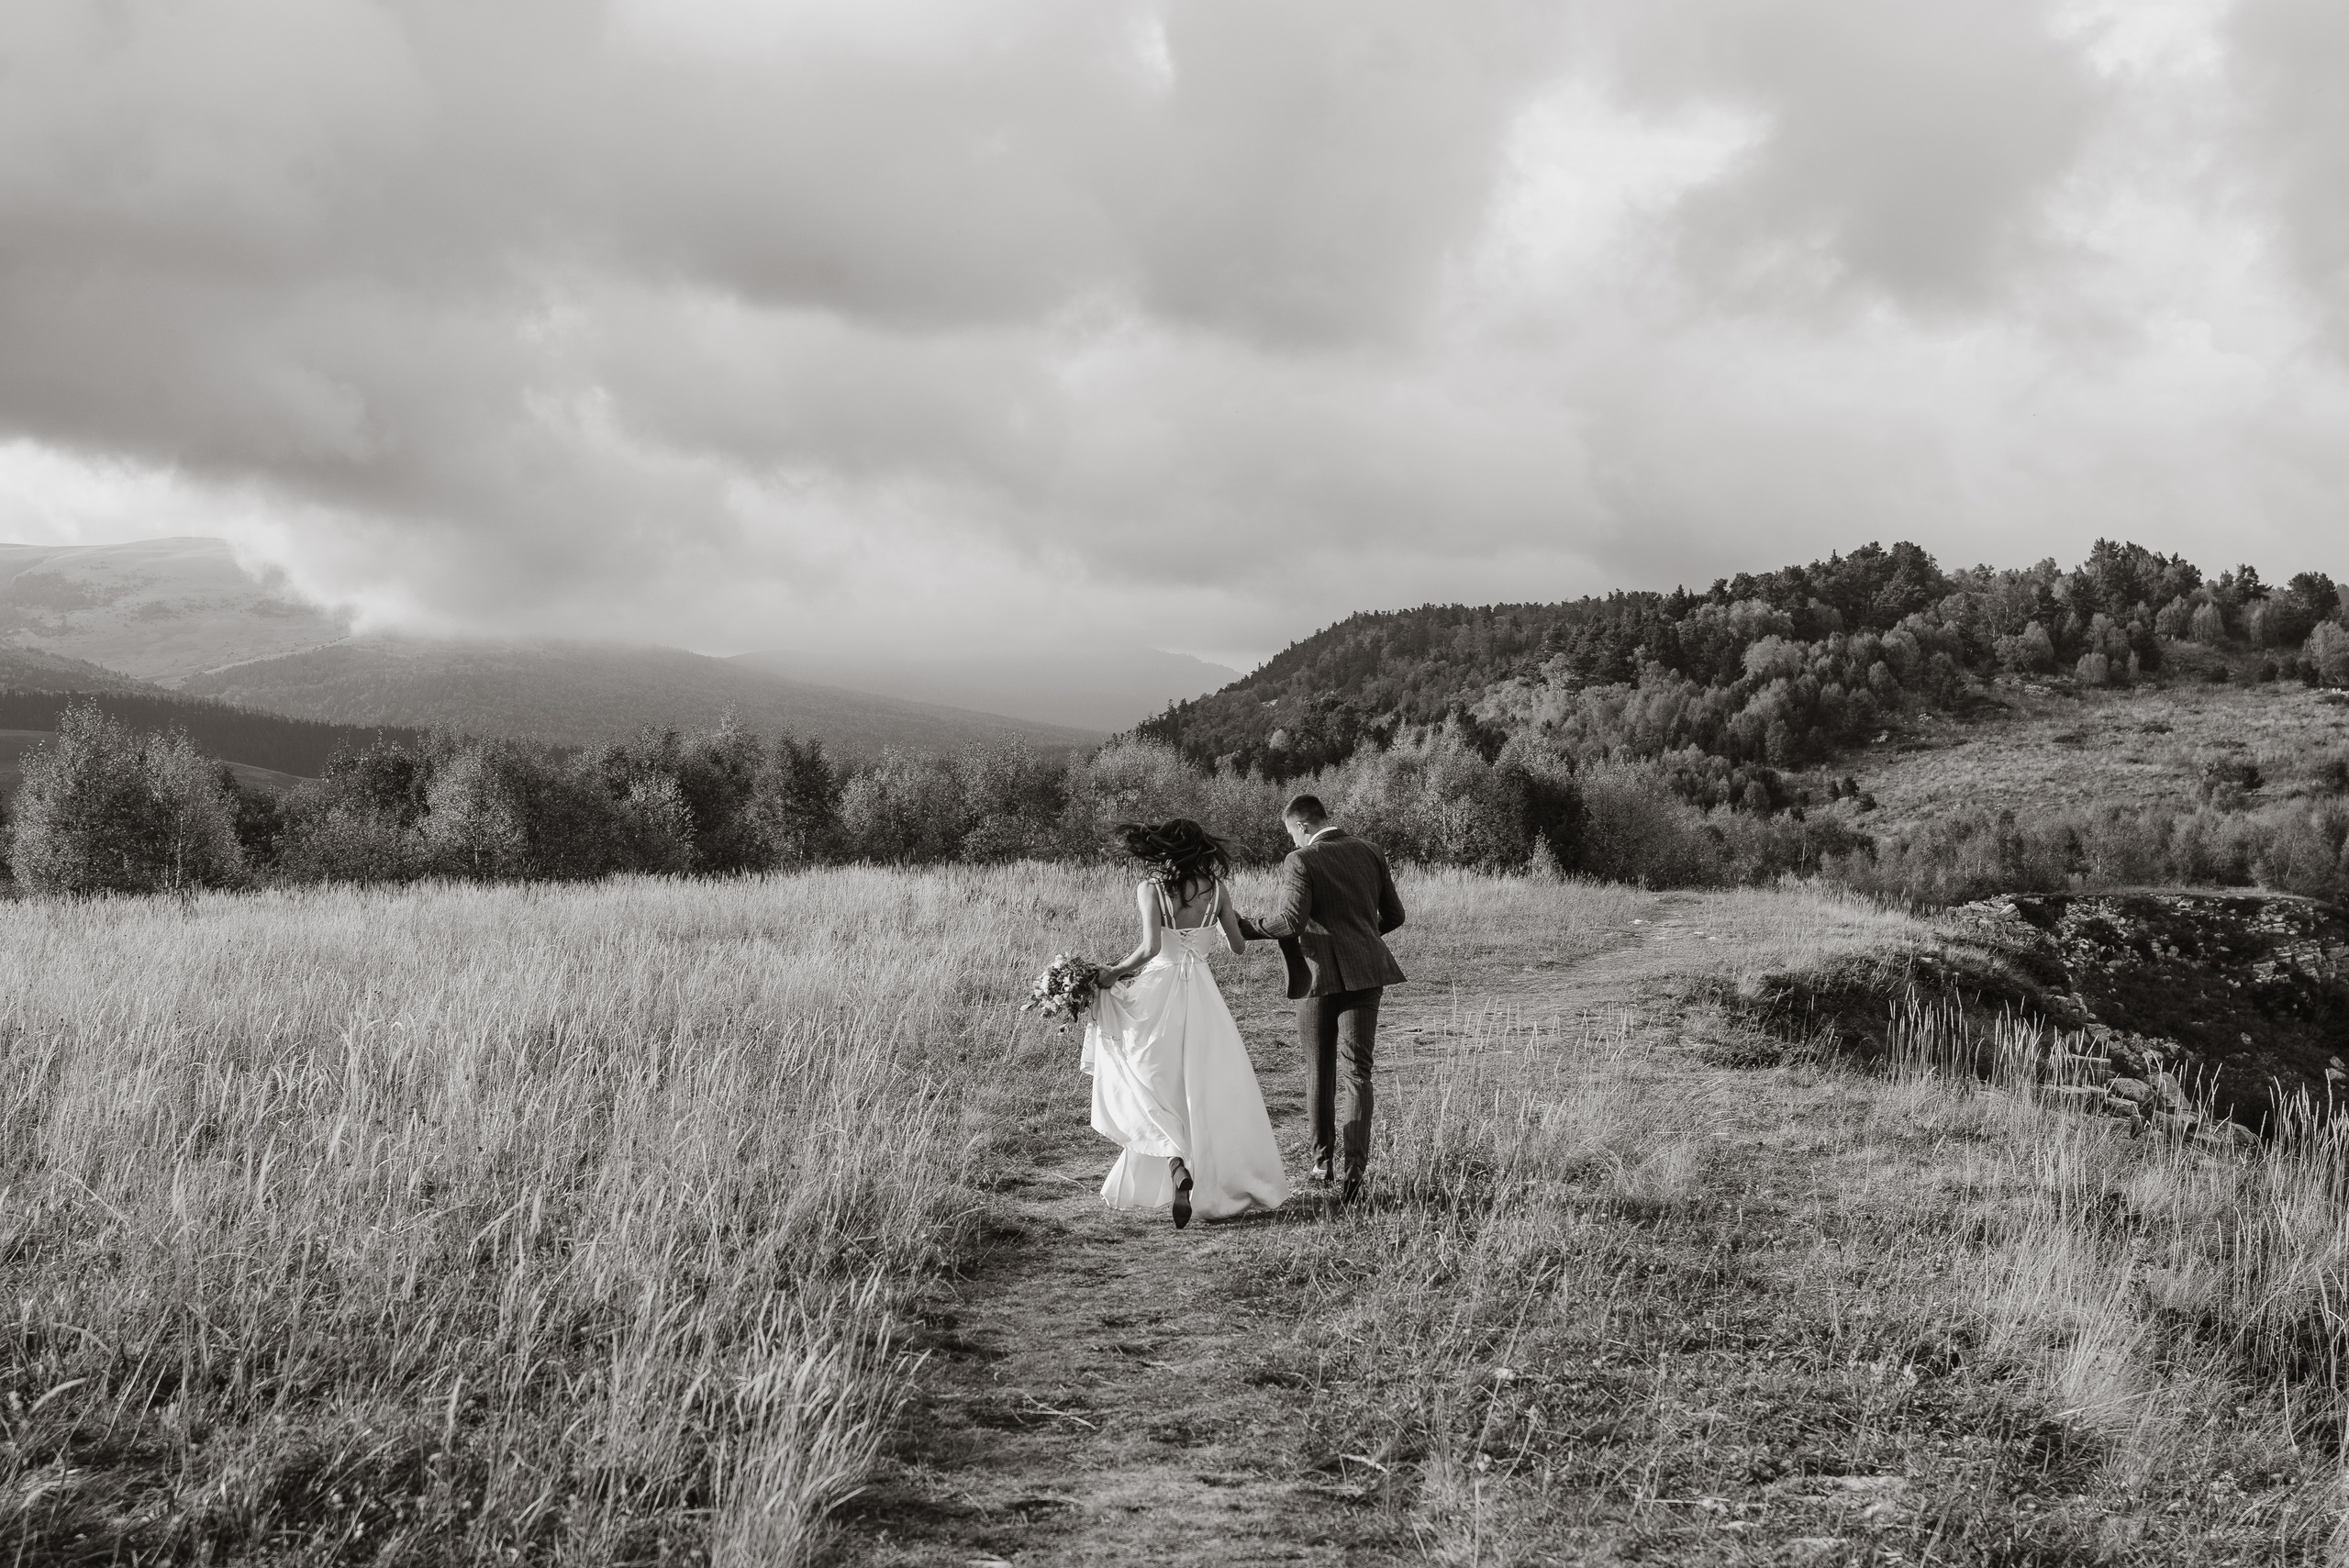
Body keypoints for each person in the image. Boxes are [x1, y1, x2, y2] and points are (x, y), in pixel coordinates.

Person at [1081, 818, 1289, 1228]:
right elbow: (1239, 948)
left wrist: (1114, 973)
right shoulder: (1217, 890)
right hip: (1202, 993)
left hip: (1158, 991)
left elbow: (1150, 948)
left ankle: (1177, 1163)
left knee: (1149, 1077)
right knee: (1205, 1081)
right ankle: (1208, 1173)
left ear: (1164, 849)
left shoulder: (1151, 889)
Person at [1239, 794, 1406, 1202]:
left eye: (1291, 835)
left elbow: (1291, 921)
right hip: (1367, 973)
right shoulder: (1371, 851)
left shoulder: (1301, 860)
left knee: (1319, 1070)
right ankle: (1354, 1174)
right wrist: (1361, 940)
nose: (1293, 842)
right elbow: (1395, 916)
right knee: (1358, 1073)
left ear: (1301, 827)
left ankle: (1322, 1164)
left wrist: (1244, 927)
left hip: (1319, 976)